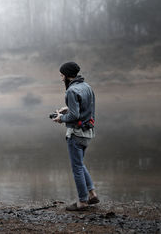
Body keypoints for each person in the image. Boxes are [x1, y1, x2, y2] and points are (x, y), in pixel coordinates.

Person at [53, 62, 99, 211]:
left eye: (62, 75)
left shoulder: (71, 91)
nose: (61, 78)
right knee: (80, 164)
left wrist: (61, 118)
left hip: (76, 134)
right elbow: (87, 108)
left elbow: (75, 115)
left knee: (77, 168)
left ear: (67, 75)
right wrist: (67, 108)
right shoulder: (87, 87)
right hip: (88, 133)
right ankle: (92, 194)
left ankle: (82, 202)